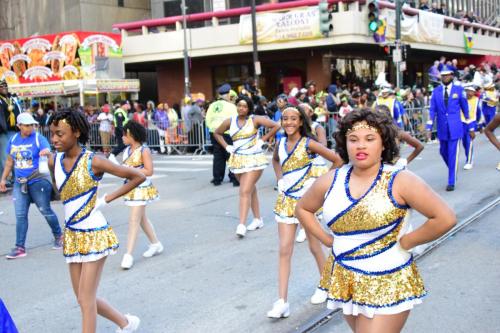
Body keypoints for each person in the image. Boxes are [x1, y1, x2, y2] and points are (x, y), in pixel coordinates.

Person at [296, 108, 456, 333]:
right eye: (353, 139)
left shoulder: (400, 180)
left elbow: (445, 217)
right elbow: (302, 208)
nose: (360, 145)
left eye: (369, 139)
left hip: (388, 277)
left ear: (383, 143)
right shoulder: (331, 179)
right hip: (346, 276)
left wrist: (408, 242)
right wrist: (327, 240)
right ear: (345, 144)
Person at [48, 109, 144, 333]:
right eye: (52, 133)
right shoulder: (55, 161)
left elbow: (138, 176)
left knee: (86, 299)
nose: (54, 139)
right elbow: (62, 192)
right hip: (72, 233)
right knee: (82, 298)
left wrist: (106, 199)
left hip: (94, 232)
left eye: (60, 134)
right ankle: (127, 323)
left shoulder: (94, 161)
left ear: (77, 132)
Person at [267, 105, 343, 319]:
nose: (289, 122)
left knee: (314, 245)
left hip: (306, 203)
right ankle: (282, 301)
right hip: (285, 201)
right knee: (284, 249)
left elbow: (337, 160)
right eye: (285, 119)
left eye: (293, 118)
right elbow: (275, 160)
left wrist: (319, 186)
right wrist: (280, 178)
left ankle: (328, 285)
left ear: (301, 122)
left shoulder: (308, 143)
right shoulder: (280, 143)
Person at [214, 95, 280, 237]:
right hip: (237, 160)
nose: (241, 108)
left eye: (244, 106)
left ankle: (242, 224)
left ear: (249, 108)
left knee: (244, 190)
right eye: (239, 105)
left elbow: (276, 125)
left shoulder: (255, 119)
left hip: (254, 159)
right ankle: (257, 219)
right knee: (250, 189)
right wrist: (227, 147)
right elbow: (217, 133)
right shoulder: (229, 121)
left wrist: (262, 140)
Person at [0, 113, 63, 259]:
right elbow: (10, 162)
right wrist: (3, 179)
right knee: (20, 215)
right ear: (19, 126)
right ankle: (19, 247)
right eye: (27, 125)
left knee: (45, 210)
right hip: (19, 183)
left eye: (32, 125)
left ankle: (59, 236)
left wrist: (46, 152)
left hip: (38, 180)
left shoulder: (37, 137)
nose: (30, 128)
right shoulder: (13, 140)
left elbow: (48, 150)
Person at [120, 121, 162, 269]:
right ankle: (155, 244)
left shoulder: (144, 150)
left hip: (141, 187)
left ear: (131, 134)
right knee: (141, 219)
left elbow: (149, 171)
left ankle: (128, 254)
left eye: (124, 134)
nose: (122, 137)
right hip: (131, 187)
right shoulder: (126, 151)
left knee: (134, 220)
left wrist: (130, 169)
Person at [426, 65, 470, 191]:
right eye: (443, 75)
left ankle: (451, 181)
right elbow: (432, 109)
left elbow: (464, 106)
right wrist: (429, 126)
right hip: (442, 127)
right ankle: (452, 168)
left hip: (455, 127)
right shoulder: (436, 91)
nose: (445, 77)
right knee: (443, 152)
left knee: (453, 154)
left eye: (447, 75)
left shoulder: (458, 89)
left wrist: (469, 123)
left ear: (451, 75)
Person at [205, 83, 239, 186]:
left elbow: (207, 119)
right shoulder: (231, 106)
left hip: (214, 132)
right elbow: (235, 119)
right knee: (231, 154)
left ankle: (217, 179)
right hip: (226, 132)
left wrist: (212, 129)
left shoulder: (212, 105)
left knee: (218, 155)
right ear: (228, 94)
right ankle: (234, 178)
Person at [0, 79, 21, 184]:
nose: (4, 88)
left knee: (15, 154)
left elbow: (18, 111)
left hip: (14, 130)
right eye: (1, 87)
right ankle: (5, 179)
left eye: (5, 86)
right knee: (4, 155)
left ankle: (15, 176)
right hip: (3, 131)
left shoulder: (12, 99)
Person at [461, 84, 483, 170]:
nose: (469, 93)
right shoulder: (461, 100)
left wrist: (479, 125)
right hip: (461, 122)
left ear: (474, 92)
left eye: (471, 91)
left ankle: (469, 161)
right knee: (464, 142)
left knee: (469, 141)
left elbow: (479, 113)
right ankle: (468, 156)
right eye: (468, 91)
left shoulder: (477, 100)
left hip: (471, 123)